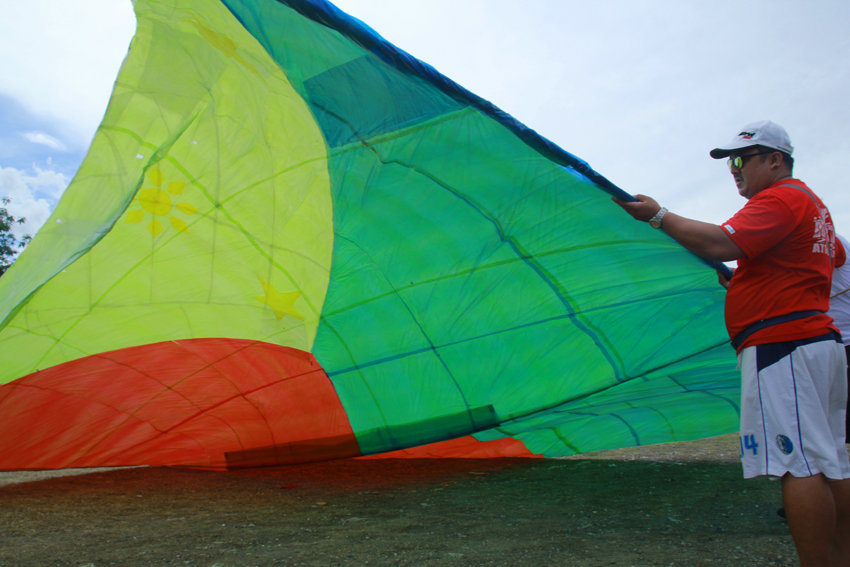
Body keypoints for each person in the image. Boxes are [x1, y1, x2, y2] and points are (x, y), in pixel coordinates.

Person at [613, 120, 850, 567]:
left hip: (785, 345)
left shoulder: (782, 197)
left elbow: (721, 241)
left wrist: (659, 217)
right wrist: (742, 280)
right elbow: (792, 265)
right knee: (831, 461)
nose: (734, 169)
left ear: (775, 160)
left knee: (798, 465)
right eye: (729, 163)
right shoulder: (811, 206)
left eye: (741, 159)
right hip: (815, 342)